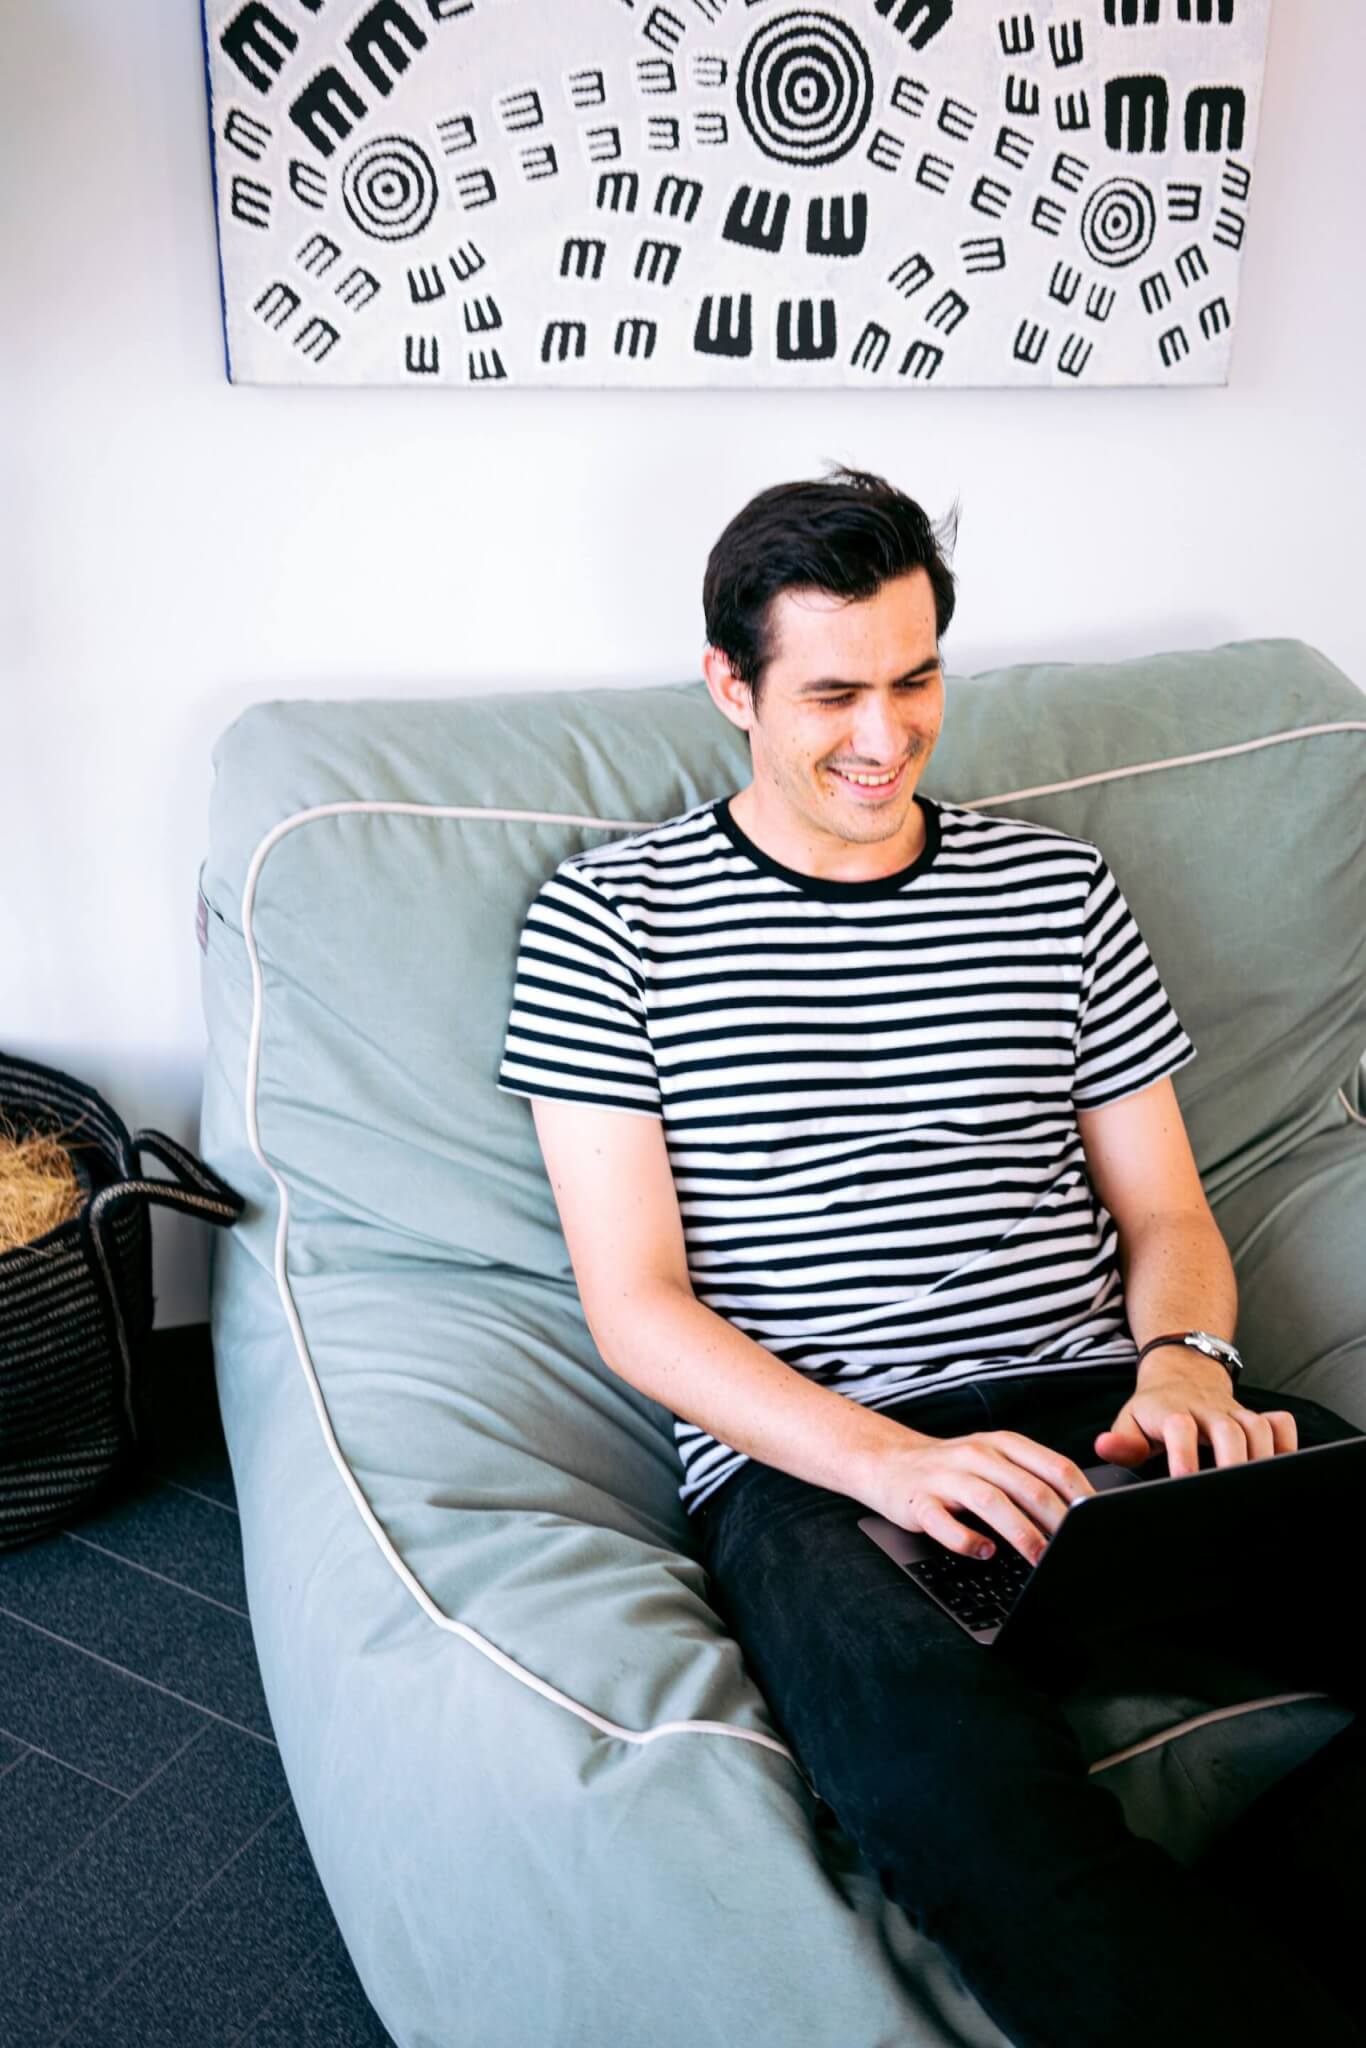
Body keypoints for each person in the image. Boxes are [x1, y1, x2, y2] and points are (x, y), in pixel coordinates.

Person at [497, 466, 1366, 2046]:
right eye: (831, 691)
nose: (883, 737)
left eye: (914, 680)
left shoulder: (1057, 888)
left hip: (1104, 1407)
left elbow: (1165, 1216)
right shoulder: (607, 921)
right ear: (729, 686)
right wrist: (889, 1465)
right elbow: (635, 1306)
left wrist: (1185, 1357)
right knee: (964, 1816)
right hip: (818, 1470)